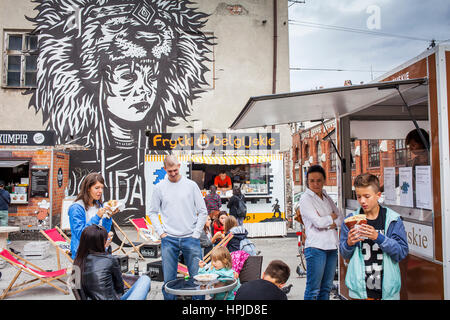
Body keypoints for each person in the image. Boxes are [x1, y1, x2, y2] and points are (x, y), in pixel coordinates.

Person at [339, 173, 408, 300]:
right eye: (359, 196)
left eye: (367, 196)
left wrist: (378, 237)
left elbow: (401, 253)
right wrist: (348, 243)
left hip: (387, 292)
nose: (362, 201)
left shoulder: (393, 219)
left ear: (378, 195)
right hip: (360, 292)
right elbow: (345, 254)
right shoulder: (350, 220)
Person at [148, 155, 208, 300]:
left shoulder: (191, 185)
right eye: (170, 171)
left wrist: (196, 233)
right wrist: (161, 233)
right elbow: (152, 212)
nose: (173, 173)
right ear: (164, 170)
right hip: (169, 239)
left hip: (190, 238)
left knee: (198, 279)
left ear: (179, 166)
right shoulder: (159, 187)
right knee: (169, 281)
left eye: (175, 170)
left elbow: (203, 211)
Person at [299, 165, 344, 300]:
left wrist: (328, 221)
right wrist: (331, 217)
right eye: (312, 180)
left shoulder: (326, 196)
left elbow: (340, 218)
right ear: (307, 181)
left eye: (319, 180)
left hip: (331, 246)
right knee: (313, 290)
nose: (316, 184)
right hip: (315, 247)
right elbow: (318, 223)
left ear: (324, 180)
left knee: (326, 288)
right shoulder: (305, 199)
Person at [73, 224, 151, 300]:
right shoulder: (109, 260)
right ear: (99, 243)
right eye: (107, 239)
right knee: (145, 279)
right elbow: (119, 288)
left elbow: (80, 294)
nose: (109, 241)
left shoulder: (77, 262)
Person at [68, 173, 118, 259]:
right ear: (88, 188)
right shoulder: (76, 208)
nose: (100, 191)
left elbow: (104, 231)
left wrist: (108, 217)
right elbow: (81, 235)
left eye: (102, 188)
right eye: (97, 188)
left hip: (100, 251)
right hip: (83, 254)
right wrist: (97, 217)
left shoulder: (98, 205)